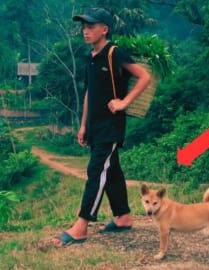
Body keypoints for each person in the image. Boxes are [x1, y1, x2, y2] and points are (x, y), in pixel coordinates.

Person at [52, 7, 151, 246]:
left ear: (104, 29)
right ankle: (124, 217)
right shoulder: (91, 58)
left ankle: (81, 226)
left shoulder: (114, 53)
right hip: (95, 126)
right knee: (112, 171)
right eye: (84, 27)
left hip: (111, 125)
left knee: (96, 171)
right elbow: (89, 93)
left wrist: (124, 102)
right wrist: (83, 125)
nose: (86, 31)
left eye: (91, 26)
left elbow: (144, 76)